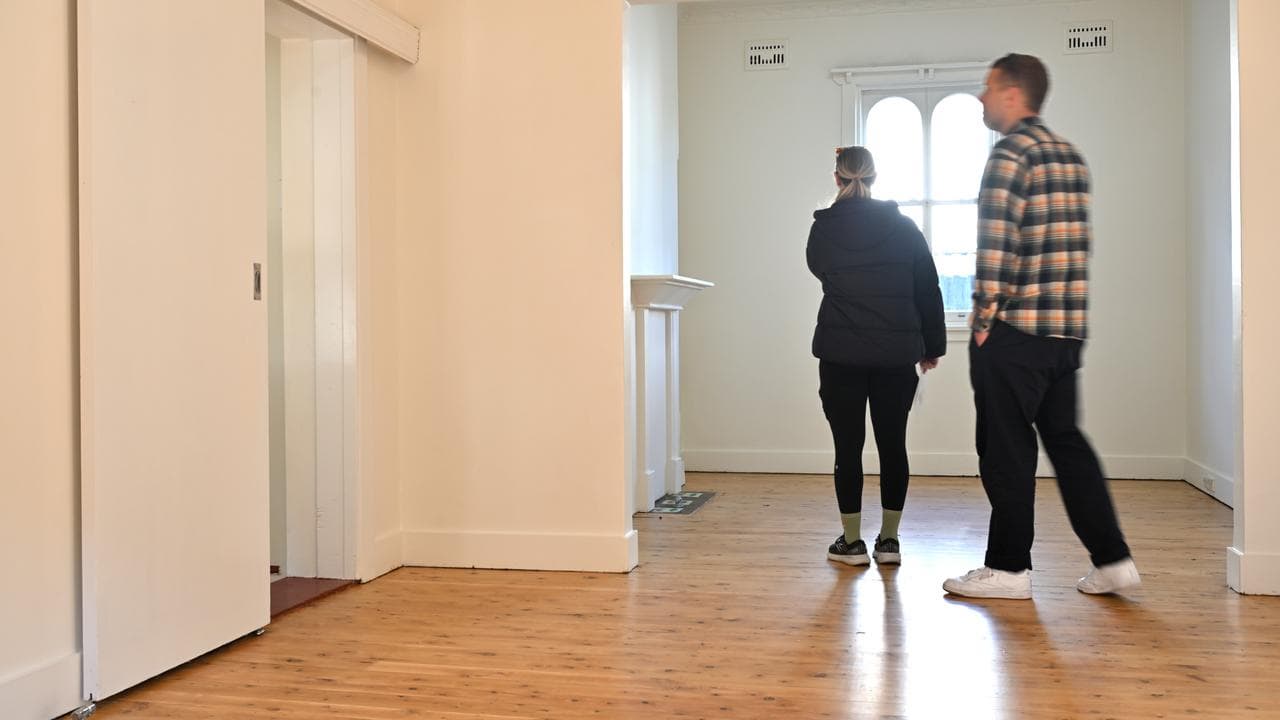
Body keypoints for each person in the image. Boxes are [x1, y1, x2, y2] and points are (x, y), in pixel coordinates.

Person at [942, 54, 1140, 599]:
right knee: (1066, 442)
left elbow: (997, 246)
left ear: (1012, 93)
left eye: (987, 88)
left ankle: (1008, 570)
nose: (981, 99)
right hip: (1066, 333)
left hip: (1015, 333)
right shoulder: (1070, 156)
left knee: (1005, 448)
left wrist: (983, 322)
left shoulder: (1010, 153)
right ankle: (1113, 559)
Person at [807, 145, 946, 567]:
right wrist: (933, 347)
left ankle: (851, 544)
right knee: (893, 446)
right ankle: (889, 542)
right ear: (874, 177)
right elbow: (928, 288)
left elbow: (820, 271)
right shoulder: (904, 228)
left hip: (840, 356)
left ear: (837, 178)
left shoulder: (823, 230)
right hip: (896, 356)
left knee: (846, 449)